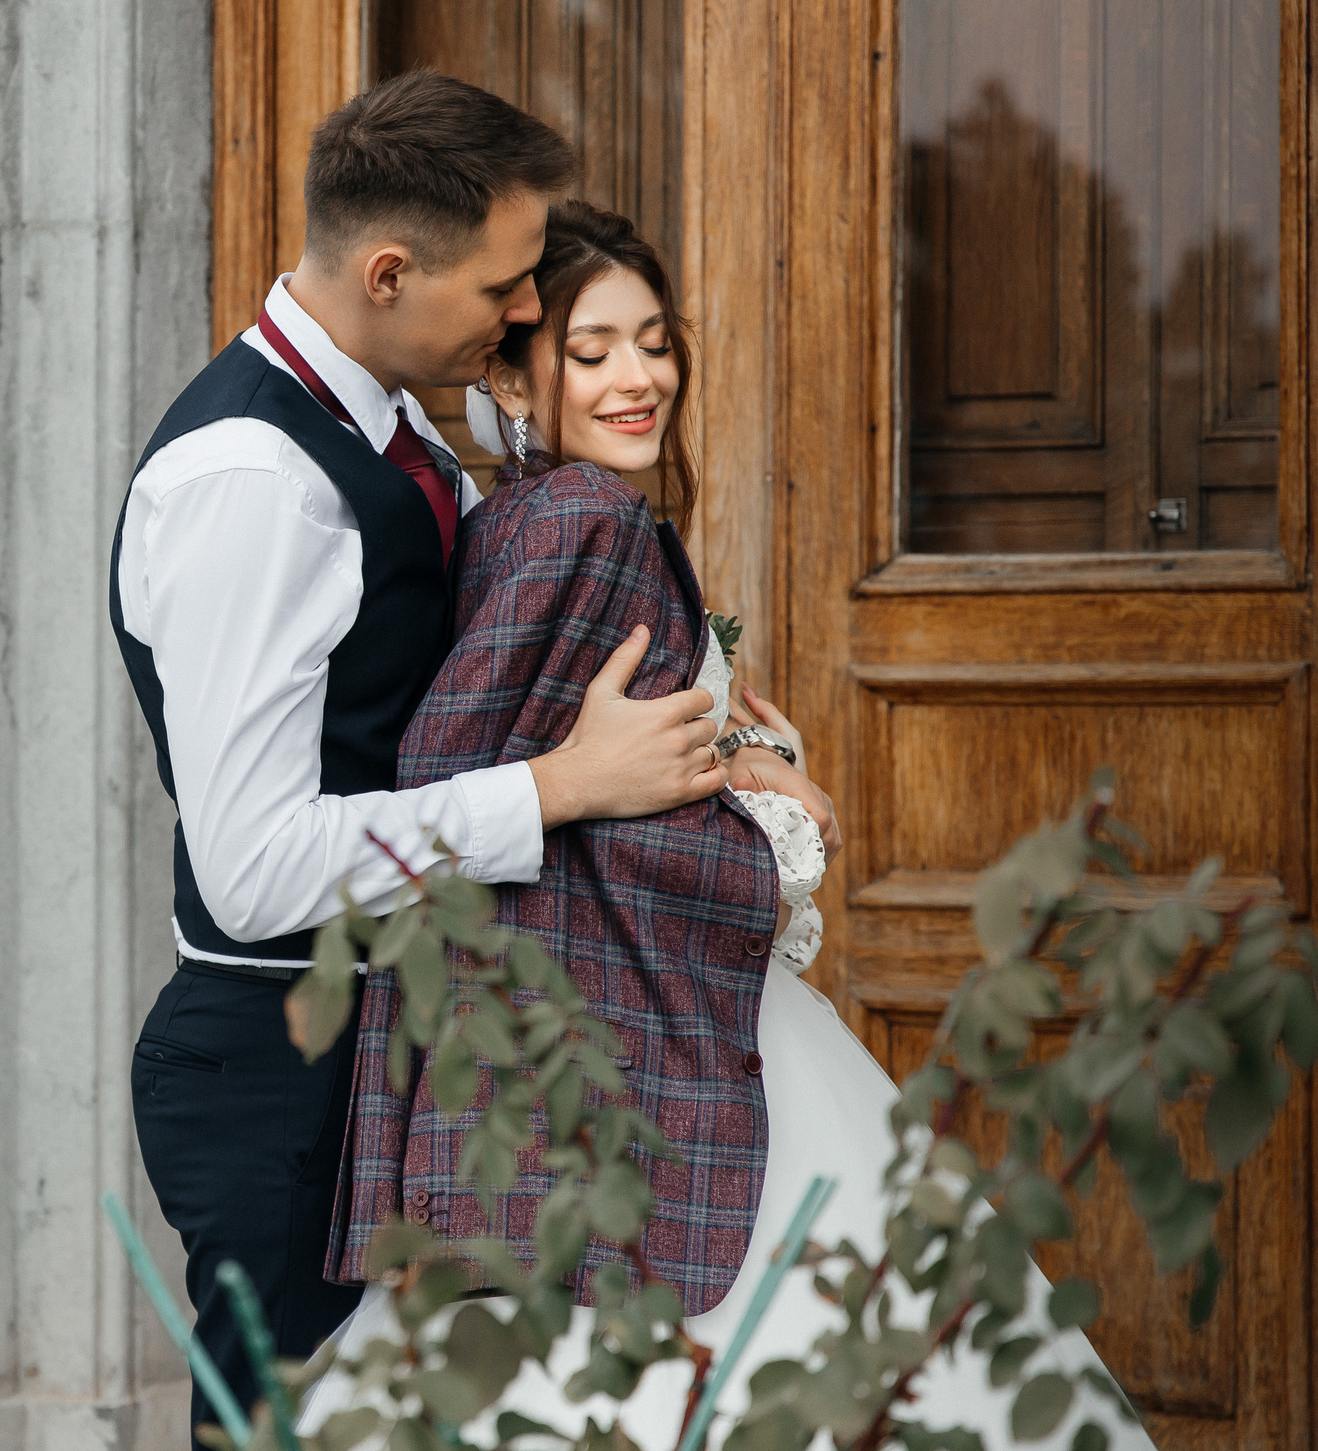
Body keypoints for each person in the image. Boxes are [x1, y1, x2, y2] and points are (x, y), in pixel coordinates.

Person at [311, 202, 1151, 1451]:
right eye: (592, 349)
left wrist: (730, 747)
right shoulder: (579, 523)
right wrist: (744, 796)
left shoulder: (555, 518)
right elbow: (464, 768)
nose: (639, 375)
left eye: (654, 340)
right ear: (514, 372)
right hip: (643, 1048)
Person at [113, 73, 758, 1442]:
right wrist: (563, 788)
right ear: (391, 270)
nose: (528, 313)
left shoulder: (397, 431)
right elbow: (252, 869)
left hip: (402, 1058)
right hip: (281, 1078)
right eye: (507, 287)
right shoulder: (255, 484)